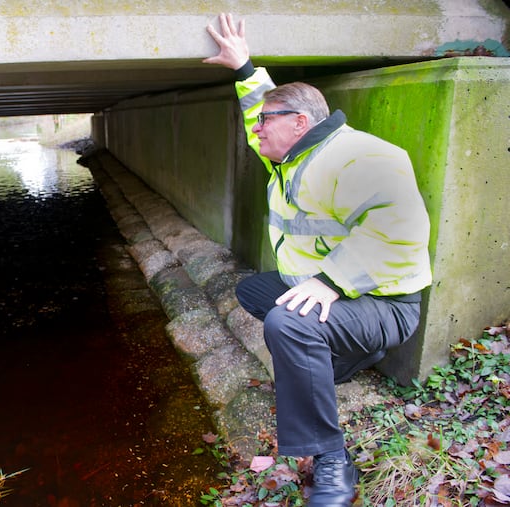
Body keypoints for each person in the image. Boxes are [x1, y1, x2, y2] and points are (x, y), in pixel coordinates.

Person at [203, 13, 432, 507]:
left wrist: (331, 280)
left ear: (300, 124)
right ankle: (341, 359)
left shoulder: (360, 156)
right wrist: (244, 68)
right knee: (251, 290)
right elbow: (257, 120)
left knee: (286, 323)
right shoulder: (289, 155)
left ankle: (330, 459)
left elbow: (402, 233)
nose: (256, 130)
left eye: (267, 121)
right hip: (334, 295)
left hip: (382, 304)